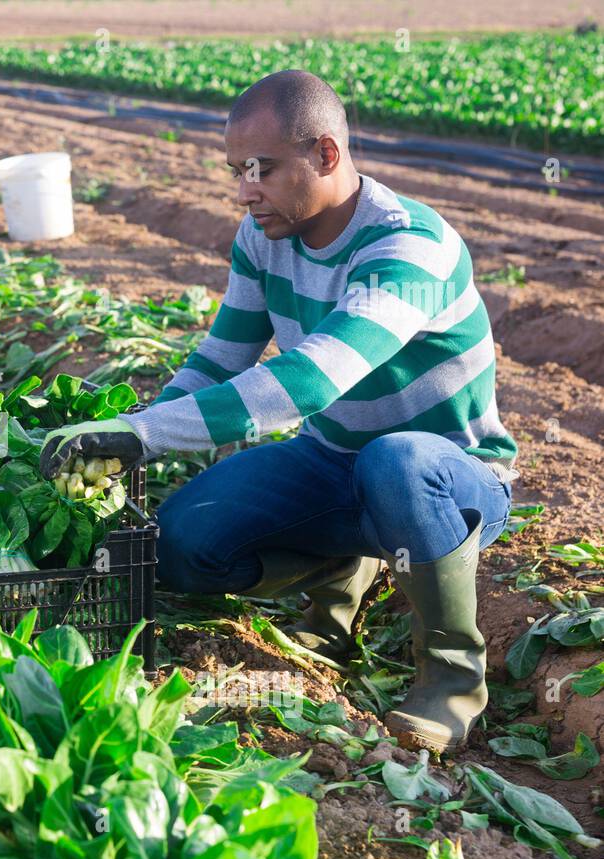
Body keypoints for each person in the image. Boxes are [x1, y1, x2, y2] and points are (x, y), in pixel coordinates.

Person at [40, 70, 518, 755]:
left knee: (398, 459)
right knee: (182, 544)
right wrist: (130, 431)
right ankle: (342, 571)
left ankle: (451, 680)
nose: (244, 190)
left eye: (261, 169)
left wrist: (144, 436)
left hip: (451, 477)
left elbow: (310, 382)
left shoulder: (409, 248)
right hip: (333, 462)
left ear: (326, 155)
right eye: (237, 170)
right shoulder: (264, 237)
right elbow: (219, 358)